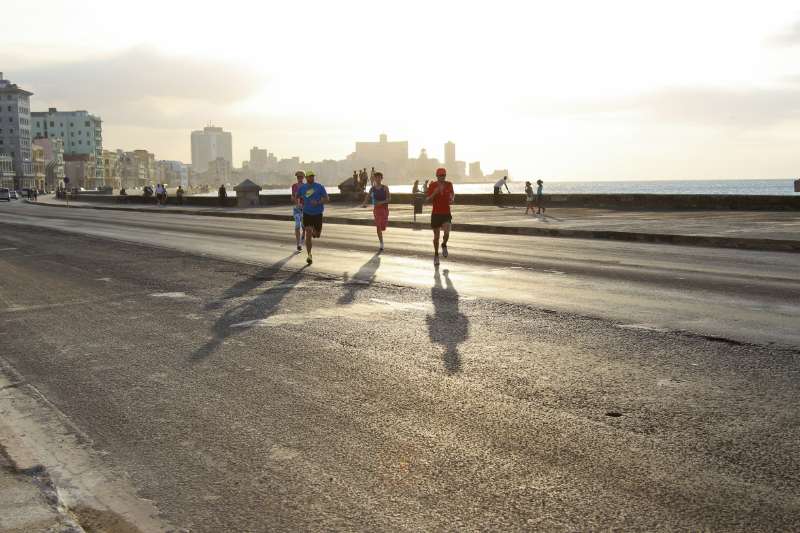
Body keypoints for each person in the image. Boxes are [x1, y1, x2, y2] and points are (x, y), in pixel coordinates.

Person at [297, 170, 329, 265]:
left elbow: (327, 198)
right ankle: (309, 255)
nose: (311, 178)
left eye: (312, 176)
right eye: (309, 176)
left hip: (318, 213)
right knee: (308, 233)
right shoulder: (303, 187)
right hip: (307, 213)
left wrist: (318, 202)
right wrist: (298, 204)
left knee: (317, 234)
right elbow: (296, 196)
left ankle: (315, 231)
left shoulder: (319, 187)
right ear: (306, 178)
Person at [426, 167, 454, 266]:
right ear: (437, 176)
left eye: (444, 175)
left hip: (446, 213)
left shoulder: (449, 184)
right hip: (436, 214)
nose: (442, 177)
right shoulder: (432, 185)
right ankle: (436, 254)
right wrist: (435, 192)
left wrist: (451, 198)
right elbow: (428, 199)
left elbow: (452, 195)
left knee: (447, 233)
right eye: (441, 175)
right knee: (436, 237)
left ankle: (444, 244)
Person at [366, 171, 390, 251]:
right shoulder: (372, 189)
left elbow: (389, 198)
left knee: (383, 226)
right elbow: (368, 197)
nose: (378, 179)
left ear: (381, 178)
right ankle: (381, 243)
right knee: (378, 226)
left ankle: (381, 240)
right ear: (374, 179)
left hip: (384, 209)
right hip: (376, 209)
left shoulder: (385, 187)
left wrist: (381, 202)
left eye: (379, 178)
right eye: (376, 178)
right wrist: (364, 203)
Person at [291, 171, 306, 251]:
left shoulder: (306, 186)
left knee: (303, 226)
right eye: (298, 177)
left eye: (300, 177)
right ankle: (298, 244)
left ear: (303, 177)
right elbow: (292, 196)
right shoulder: (294, 186)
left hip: (304, 209)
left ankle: (304, 232)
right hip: (296, 209)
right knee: (297, 226)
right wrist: (294, 199)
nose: (299, 178)